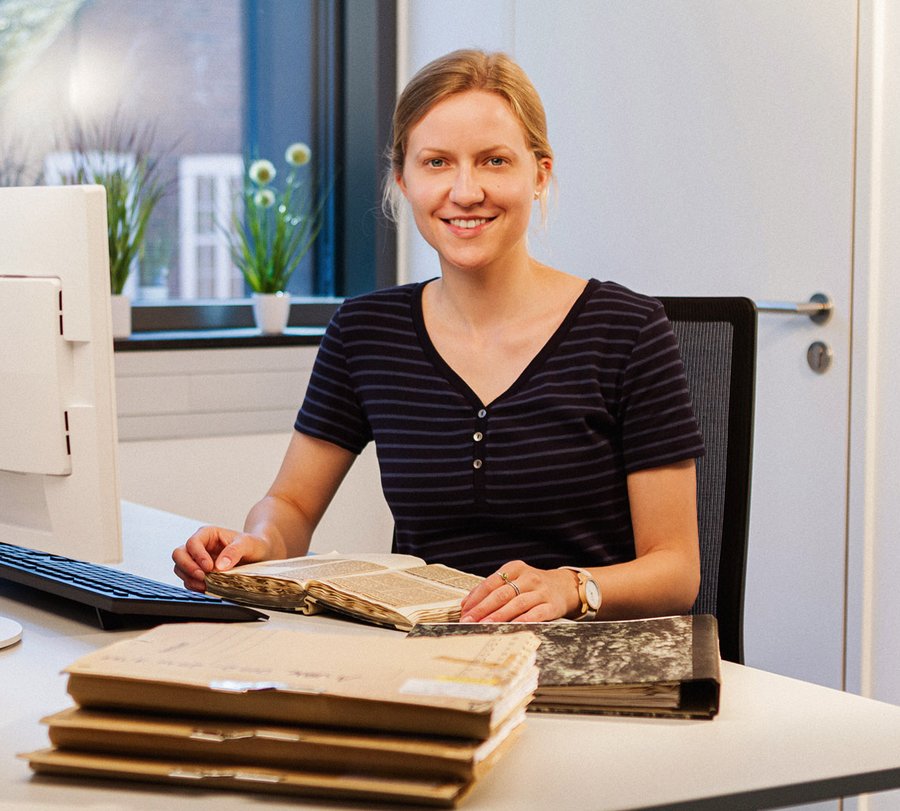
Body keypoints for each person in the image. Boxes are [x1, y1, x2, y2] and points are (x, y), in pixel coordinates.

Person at [173, 49, 704, 623]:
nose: (466, 190)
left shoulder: (628, 330)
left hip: (586, 660)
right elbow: (292, 504)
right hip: (427, 658)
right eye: (437, 163)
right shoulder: (364, 331)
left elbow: (676, 570)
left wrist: (571, 587)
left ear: (539, 173)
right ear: (402, 178)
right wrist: (259, 545)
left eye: (495, 161)